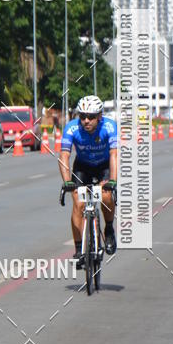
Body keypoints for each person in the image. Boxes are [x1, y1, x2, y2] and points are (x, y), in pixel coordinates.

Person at [58, 95, 118, 266]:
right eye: (82, 116)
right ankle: (78, 248)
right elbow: (64, 155)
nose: (86, 120)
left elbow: (114, 154)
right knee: (78, 203)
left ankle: (108, 228)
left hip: (103, 166)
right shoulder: (71, 128)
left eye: (91, 117)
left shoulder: (109, 126)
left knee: (106, 197)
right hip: (82, 167)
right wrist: (67, 181)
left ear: (99, 116)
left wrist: (112, 180)